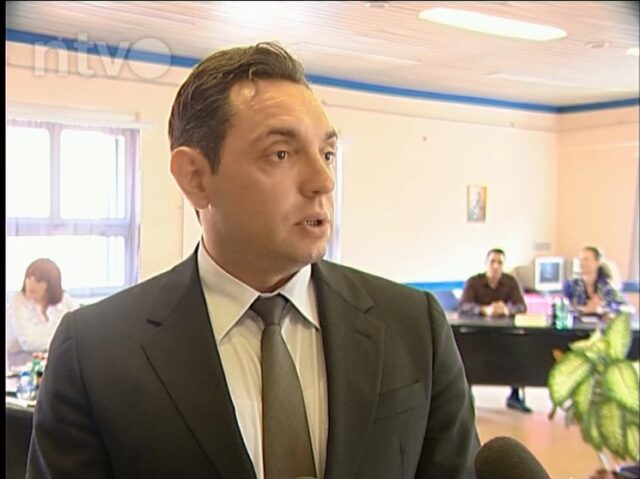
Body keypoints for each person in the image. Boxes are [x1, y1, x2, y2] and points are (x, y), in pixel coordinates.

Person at [27, 42, 479, 479]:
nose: (323, 180)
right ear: (195, 178)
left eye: (327, 154)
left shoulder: (413, 326)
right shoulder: (95, 353)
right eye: (281, 154)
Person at [459, 248, 531, 413]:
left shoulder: (511, 282)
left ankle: (515, 396)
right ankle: (467, 395)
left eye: (500, 263)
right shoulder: (474, 282)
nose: (496, 266)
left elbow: (521, 307)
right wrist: (484, 310)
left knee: (521, 349)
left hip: (506, 334)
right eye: (492, 262)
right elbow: (464, 306)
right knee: (465, 350)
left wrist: (507, 310)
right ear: (486, 264)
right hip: (477, 334)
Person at [6, 258, 76, 371]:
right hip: (20, 368)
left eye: (38, 280)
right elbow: (29, 342)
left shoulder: (65, 301)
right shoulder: (17, 301)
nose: (31, 283)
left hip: (56, 365)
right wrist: (63, 342)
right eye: (28, 277)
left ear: (51, 284)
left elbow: (77, 334)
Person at [563, 246, 626, 317]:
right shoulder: (571, 284)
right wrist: (584, 310)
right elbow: (563, 309)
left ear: (598, 262)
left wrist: (602, 311)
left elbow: (623, 309)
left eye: (586, 260)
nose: (582, 263)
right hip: (578, 323)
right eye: (580, 260)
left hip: (603, 323)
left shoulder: (609, 286)